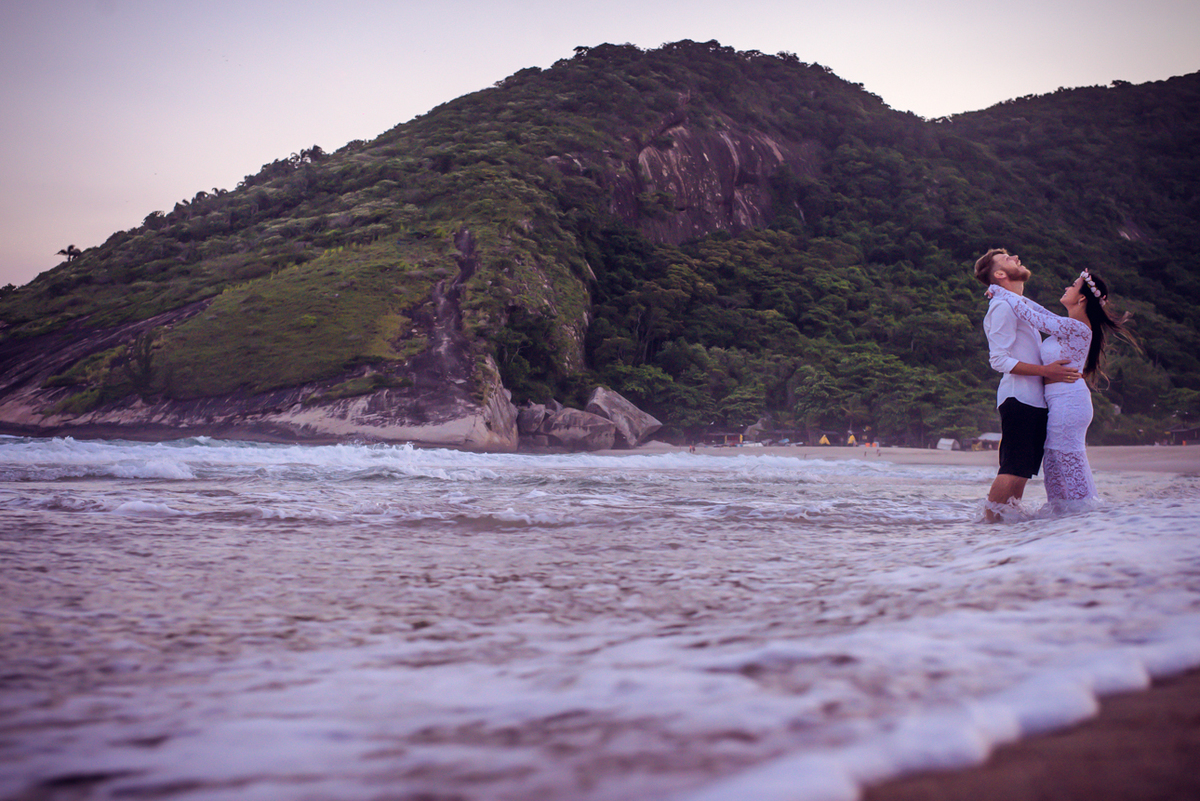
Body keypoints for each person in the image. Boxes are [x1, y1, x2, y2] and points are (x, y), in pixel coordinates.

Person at [986, 266, 1135, 511]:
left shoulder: (1077, 328)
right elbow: (1037, 310)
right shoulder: (1068, 324)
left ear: (1081, 298)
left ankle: (1083, 516)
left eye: (1072, 285)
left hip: (1069, 401)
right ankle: (1064, 521)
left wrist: (1000, 292)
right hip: (1059, 400)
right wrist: (1002, 291)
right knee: (1054, 464)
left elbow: (1035, 317)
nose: (1067, 287)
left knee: (1065, 461)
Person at [974, 249, 1080, 520]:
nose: (1016, 257)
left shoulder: (1017, 304)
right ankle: (986, 532)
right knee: (1012, 469)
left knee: (1021, 473)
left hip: (1034, 400)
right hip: (1018, 398)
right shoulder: (1002, 306)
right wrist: (1045, 371)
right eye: (1007, 258)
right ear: (999, 274)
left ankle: (1007, 531)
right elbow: (998, 360)